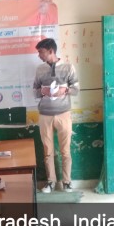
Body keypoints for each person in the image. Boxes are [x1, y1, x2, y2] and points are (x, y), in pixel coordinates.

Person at [33, 38, 79, 193]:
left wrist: (65, 90)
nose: (39, 55)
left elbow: (76, 89)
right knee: (48, 151)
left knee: (65, 151)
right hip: (45, 115)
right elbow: (34, 91)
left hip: (64, 114)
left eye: (41, 52)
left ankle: (67, 182)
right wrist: (42, 91)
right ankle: (50, 182)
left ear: (51, 51)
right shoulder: (40, 69)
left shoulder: (68, 67)